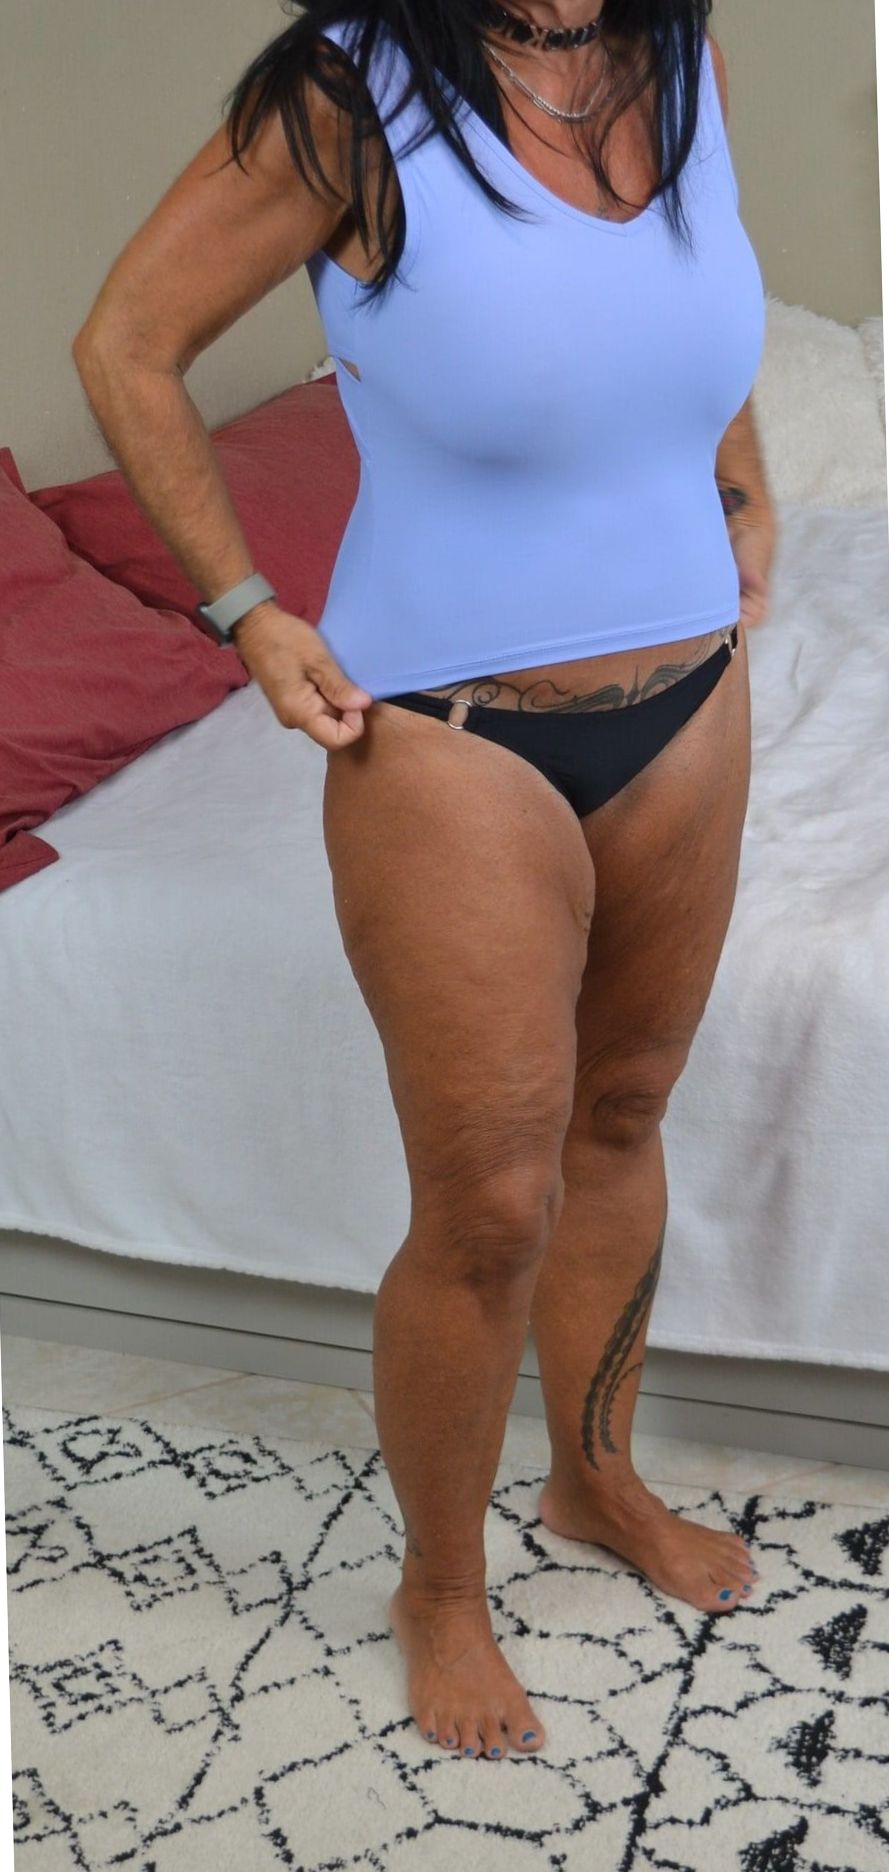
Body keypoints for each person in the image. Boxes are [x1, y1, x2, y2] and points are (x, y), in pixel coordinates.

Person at [72, 0, 777, 1765]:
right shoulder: (348, 92)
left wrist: (740, 480)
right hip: (451, 731)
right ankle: (440, 1590)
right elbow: (129, 343)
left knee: (624, 1111)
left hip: (690, 697)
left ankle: (594, 1481)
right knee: (484, 1204)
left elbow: (685, 319)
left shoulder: (678, 54)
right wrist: (247, 611)